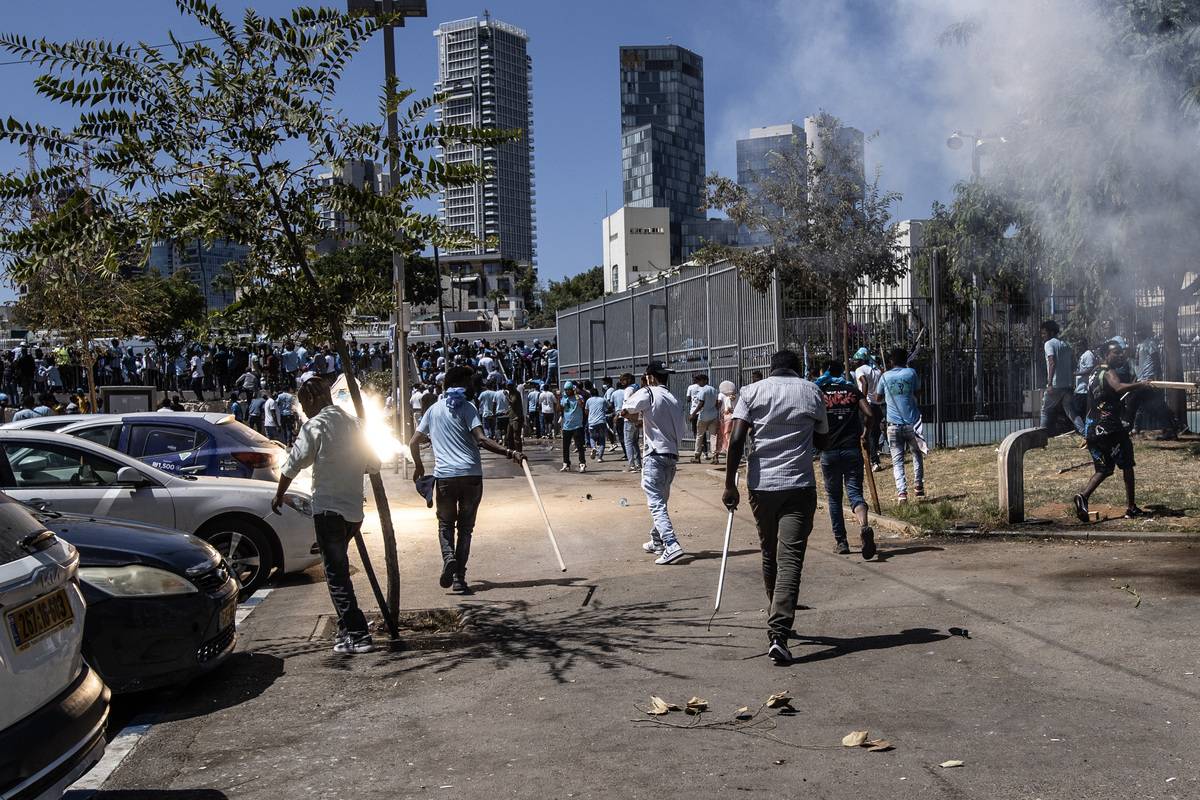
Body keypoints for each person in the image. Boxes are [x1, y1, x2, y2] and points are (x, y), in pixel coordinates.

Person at [722, 350, 829, 665]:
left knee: (770, 552)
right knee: (790, 558)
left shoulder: (752, 391)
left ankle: (777, 616)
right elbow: (824, 440)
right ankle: (779, 632)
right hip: (798, 484)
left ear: (771, 369)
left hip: (762, 485)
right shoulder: (812, 391)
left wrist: (730, 484)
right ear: (797, 370)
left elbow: (738, 437)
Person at [272, 378, 380, 655]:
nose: (303, 411)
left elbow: (293, 464)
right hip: (354, 512)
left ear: (312, 400)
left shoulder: (315, 425)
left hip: (328, 511)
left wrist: (278, 494)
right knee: (339, 571)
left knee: (336, 575)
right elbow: (374, 464)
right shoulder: (356, 424)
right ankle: (346, 633)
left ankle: (359, 634)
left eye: (304, 404)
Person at [409, 366, 527, 595]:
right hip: (471, 476)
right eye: (470, 382)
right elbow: (481, 440)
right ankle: (459, 579)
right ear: (461, 384)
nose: (474, 385)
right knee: (465, 529)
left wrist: (419, 466)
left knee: (445, 525)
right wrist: (510, 452)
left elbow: (413, 442)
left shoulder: (433, 410)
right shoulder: (468, 408)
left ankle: (449, 557)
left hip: (444, 478)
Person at [1074, 341, 1151, 522]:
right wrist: (1141, 384)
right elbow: (1118, 387)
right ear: (1105, 355)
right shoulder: (1108, 371)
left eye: (1121, 352)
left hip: (1093, 427)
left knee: (1105, 468)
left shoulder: (1094, 373)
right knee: (1127, 465)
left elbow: (1093, 400)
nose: (1120, 355)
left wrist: (1087, 431)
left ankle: (1083, 496)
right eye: (1116, 353)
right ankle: (1131, 508)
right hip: (1110, 428)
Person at [621, 362, 687, 565]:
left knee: (656, 503)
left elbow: (627, 407)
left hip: (655, 455)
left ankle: (671, 543)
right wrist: (641, 422)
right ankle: (656, 539)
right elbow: (677, 429)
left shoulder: (648, 392)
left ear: (650, 377)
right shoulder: (673, 399)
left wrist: (626, 414)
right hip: (671, 455)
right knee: (661, 500)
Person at [815, 360, 876, 558]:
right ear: (842, 371)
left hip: (829, 450)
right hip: (851, 449)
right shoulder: (851, 390)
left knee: (834, 497)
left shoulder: (820, 392)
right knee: (855, 491)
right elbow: (869, 413)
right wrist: (865, 433)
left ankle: (841, 541)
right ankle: (864, 525)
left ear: (825, 372)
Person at [874, 347, 925, 503]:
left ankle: (902, 493)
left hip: (893, 424)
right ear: (906, 360)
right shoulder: (911, 373)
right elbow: (918, 392)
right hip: (912, 423)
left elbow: (877, 398)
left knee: (897, 460)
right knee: (917, 453)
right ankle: (918, 485)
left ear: (891, 361)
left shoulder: (885, 376)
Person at [1039, 320, 1082, 435]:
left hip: (1055, 384)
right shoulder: (1065, 344)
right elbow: (1073, 364)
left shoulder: (1049, 344)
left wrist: (1049, 384)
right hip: (1067, 384)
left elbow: (1052, 362)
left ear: (1051, 332)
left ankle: (1041, 436)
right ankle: (1084, 431)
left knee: (1045, 410)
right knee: (1071, 411)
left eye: (1044, 333)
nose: (1042, 336)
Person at [851, 348, 884, 471]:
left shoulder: (860, 370)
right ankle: (875, 460)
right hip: (876, 405)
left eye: (855, 360)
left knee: (866, 433)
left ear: (860, 360)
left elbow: (864, 383)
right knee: (874, 434)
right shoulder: (876, 371)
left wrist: (862, 400)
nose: (854, 363)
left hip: (867, 405)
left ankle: (872, 461)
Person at [689, 375, 720, 464]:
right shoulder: (714, 390)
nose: (698, 382)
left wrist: (693, 414)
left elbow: (701, 404)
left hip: (703, 417)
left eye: (700, 380)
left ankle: (697, 456)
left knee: (699, 436)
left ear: (705, 380)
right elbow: (716, 403)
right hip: (713, 416)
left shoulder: (703, 390)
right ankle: (715, 457)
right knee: (713, 436)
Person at [618, 373, 643, 473]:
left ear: (628, 380)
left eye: (623, 380)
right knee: (634, 443)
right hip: (636, 417)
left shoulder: (628, 390)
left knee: (628, 442)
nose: (621, 382)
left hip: (629, 419)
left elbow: (627, 403)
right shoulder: (637, 388)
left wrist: (624, 414)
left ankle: (631, 465)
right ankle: (638, 464)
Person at [559, 382, 586, 473]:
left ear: (572, 389)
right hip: (567, 426)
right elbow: (559, 409)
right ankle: (566, 464)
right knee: (565, 446)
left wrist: (576, 395)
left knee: (579, 446)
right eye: (565, 390)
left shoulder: (579, 397)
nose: (567, 391)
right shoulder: (564, 398)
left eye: (568, 390)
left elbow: (582, 405)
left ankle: (582, 463)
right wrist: (558, 398)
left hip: (577, 425)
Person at [713, 380, 737, 464]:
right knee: (730, 436)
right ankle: (730, 456)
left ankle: (716, 457)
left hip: (723, 418)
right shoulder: (735, 396)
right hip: (733, 418)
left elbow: (718, 404)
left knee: (720, 437)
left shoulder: (721, 395)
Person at [586, 386, 609, 462]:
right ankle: (600, 457)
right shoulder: (602, 400)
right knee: (602, 439)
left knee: (592, 437)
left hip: (592, 422)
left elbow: (586, 411)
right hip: (601, 421)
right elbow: (608, 408)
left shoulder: (588, 400)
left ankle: (593, 447)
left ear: (591, 394)